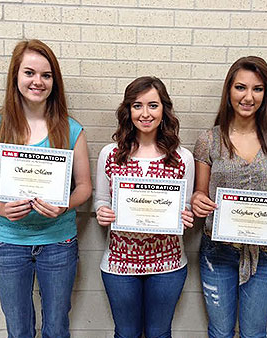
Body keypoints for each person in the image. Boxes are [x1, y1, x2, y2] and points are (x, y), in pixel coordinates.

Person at [0, 39, 92, 338]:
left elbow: (85, 186)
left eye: (46, 75)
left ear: (54, 81)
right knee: (19, 328)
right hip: (8, 244)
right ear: (16, 77)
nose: (38, 81)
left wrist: (66, 205)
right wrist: (0, 207)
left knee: (57, 327)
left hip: (59, 242)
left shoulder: (71, 129)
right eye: (29, 73)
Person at [191, 56, 267, 338]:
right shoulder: (209, 139)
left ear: (266, 94)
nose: (248, 96)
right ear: (229, 91)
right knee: (220, 332)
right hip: (218, 251)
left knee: (254, 333)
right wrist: (198, 200)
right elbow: (200, 192)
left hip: (265, 254)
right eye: (240, 87)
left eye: (257, 89)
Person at [95, 76, 195, 338]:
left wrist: (186, 216)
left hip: (168, 264)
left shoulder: (182, 158)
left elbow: (185, 206)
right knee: (126, 334)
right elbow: (101, 200)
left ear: (164, 110)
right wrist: (102, 212)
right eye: (137, 105)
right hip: (119, 264)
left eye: (153, 105)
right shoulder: (111, 154)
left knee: (159, 334)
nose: (145, 113)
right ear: (128, 111)